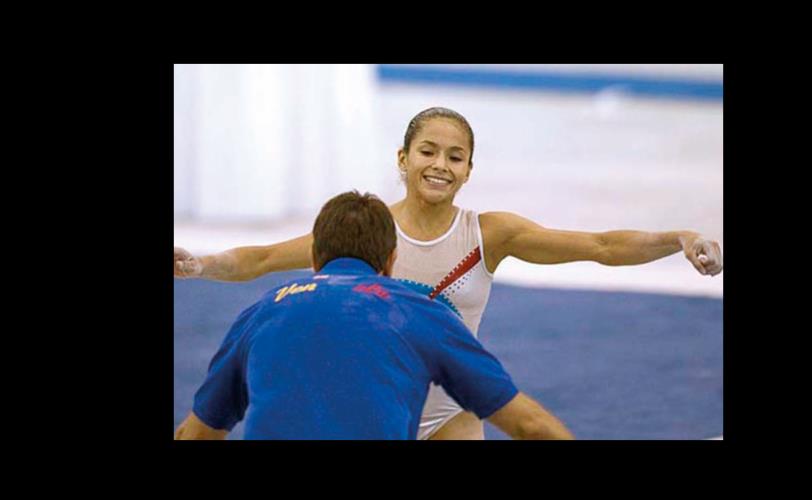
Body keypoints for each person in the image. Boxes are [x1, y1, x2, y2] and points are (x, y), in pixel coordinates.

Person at [174, 107, 722, 440]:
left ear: (469, 170)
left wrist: (679, 239)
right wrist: (200, 264)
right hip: (378, 406)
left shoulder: (489, 233)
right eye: (428, 151)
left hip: (449, 415)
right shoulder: (367, 228)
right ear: (402, 158)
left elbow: (600, 247)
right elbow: (263, 259)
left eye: (455, 157)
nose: (440, 165)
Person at [174, 191, 573, 440]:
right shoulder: (422, 313)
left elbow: (195, 435)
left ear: (314, 259)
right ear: (391, 259)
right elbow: (531, 426)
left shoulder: (260, 313)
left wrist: (201, 265)